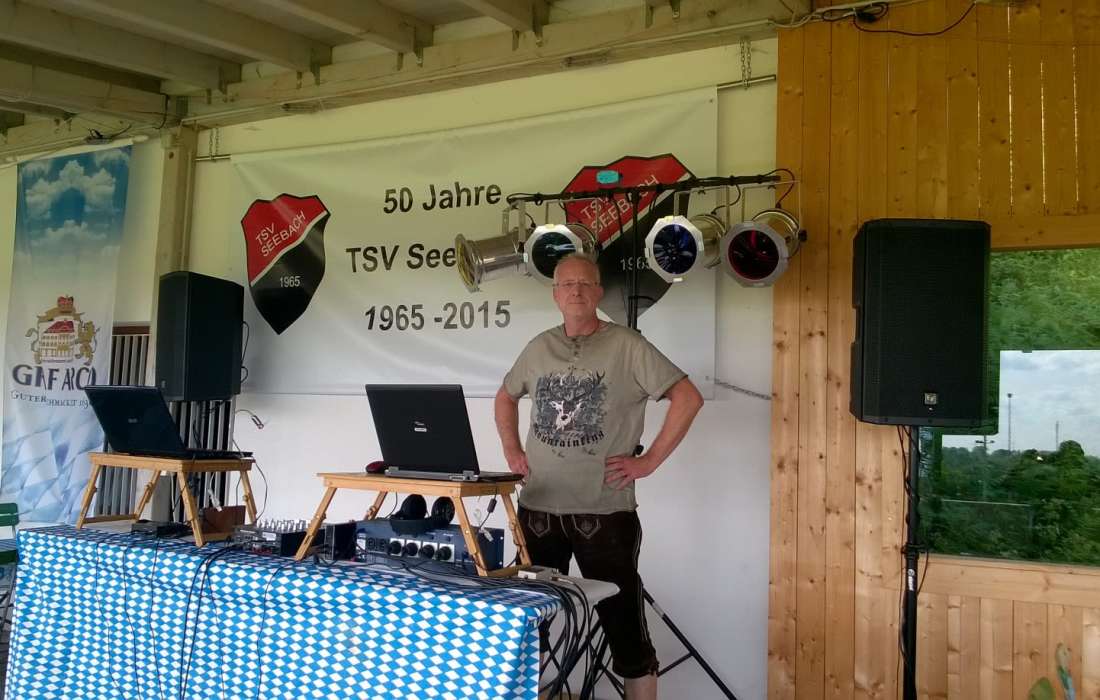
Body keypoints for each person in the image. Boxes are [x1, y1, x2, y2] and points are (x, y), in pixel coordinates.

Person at [494, 253, 703, 700]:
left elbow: (687, 397)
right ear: (555, 294)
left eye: (585, 284)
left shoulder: (628, 345)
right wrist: (512, 450)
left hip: (604, 514)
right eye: (567, 284)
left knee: (625, 630)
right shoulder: (538, 347)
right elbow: (505, 396)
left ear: (599, 293)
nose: (576, 291)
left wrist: (649, 461)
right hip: (538, 510)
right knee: (529, 630)